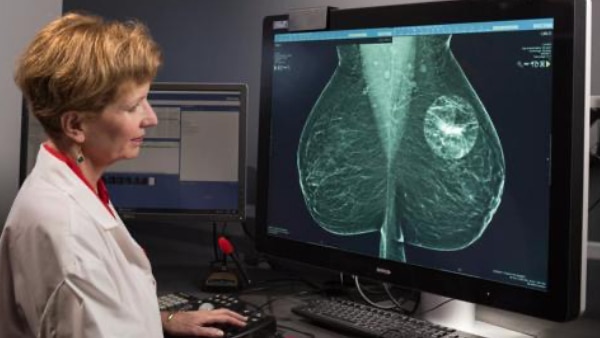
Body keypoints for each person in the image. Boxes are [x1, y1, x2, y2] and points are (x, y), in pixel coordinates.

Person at [0, 12, 246, 338]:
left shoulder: (75, 186)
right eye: (134, 106)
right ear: (75, 125)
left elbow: (101, 310)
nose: (152, 118)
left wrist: (164, 319)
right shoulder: (70, 241)